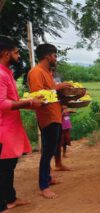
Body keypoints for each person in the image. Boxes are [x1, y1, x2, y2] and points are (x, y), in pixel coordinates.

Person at [0, 36, 42, 212]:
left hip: (10, 127)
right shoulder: (1, 74)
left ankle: (10, 198)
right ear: (5, 53)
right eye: (16, 52)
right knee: (4, 168)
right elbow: (2, 103)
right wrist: (28, 103)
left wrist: (27, 103)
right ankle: (3, 203)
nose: (18, 56)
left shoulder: (6, 72)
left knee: (9, 166)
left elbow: (10, 100)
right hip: (4, 130)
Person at [28, 43, 72, 199]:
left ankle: (47, 178)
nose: (56, 58)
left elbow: (51, 90)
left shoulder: (47, 72)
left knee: (53, 148)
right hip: (47, 117)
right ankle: (43, 186)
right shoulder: (36, 72)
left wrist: (63, 92)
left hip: (56, 114)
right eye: (54, 55)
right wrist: (58, 87)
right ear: (47, 56)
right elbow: (38, 96)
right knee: (47, 152)